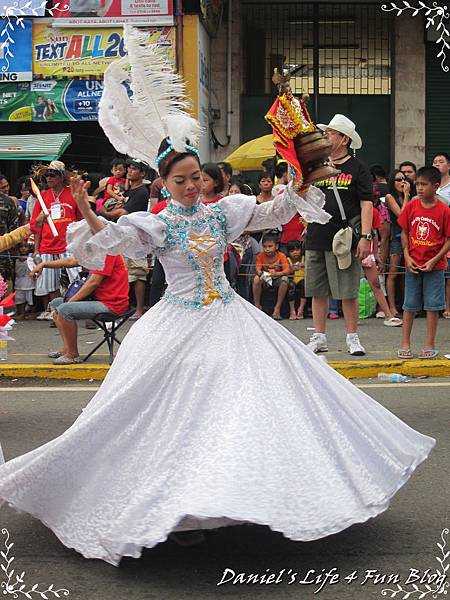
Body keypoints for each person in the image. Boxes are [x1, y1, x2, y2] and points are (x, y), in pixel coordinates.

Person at [0, 36, 435, 566]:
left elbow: (275, 213)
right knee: (166, 416)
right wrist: (89, 210)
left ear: (204, 180)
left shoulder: (223, 211)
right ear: (165, 182)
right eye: (180, 180)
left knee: (247, 407)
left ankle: (236, 493)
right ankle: (177, 506)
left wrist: (299, 178)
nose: (190, 186)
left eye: (195, 178)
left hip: (230, 317)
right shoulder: (156, 222)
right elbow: (109, 239)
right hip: (175, 325)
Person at [305, 114, 373, 356]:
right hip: (316, 233)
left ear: (344, 139)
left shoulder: (358, 168)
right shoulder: (316, 164)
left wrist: (366, 237)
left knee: (347, 290)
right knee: (317, 289)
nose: (326, 136)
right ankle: (319, 336)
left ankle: (352, 337)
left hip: (343, 238)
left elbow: (367, 204)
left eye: (331, 133)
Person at [30, 253, 129, 364]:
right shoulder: (97, 251)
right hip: (100, 300)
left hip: (111, 305)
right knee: (55, 304)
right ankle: (67, 348)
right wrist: (44, 264)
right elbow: (71, 261)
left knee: (64, 310)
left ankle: (72, 355)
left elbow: (93, 283)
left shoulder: (108, 253)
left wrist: (70, 302)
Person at [397, 166, 450, 358]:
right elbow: (404, 231)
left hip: (435, 267)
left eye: (423, 184)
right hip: (413, 264)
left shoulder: (444, 210)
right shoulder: (411, 206)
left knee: (433, 307)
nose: (419, 188)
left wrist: (435, 260)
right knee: (409, 305)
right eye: (417, 184)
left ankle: (429, 344)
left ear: (435, 186)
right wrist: (407, 255)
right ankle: (405, 343)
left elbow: (448, 238)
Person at [29, 161, 82, 321]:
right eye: (47, 175)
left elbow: (82, 220)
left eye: (52, 175)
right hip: (47, 246)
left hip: (69, 245)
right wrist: (39, 220)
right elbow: (34, 226)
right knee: (51, 285)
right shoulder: (42, 197)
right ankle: (57, 314)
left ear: (61, 176)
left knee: (77, 280)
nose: (49, 178)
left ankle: (79, 311)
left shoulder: (72, 193)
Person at [100, 160, 151, 320]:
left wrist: (104, 213)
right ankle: (125, 307)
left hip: (135, 236)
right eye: (129, 168)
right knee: (125, 273)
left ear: (142, 173)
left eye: (134, 169)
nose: (130, 171)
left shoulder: (142, 191)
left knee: (138, 274)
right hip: (123, 236)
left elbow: (122, 212)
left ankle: (139, 309)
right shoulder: (129, 191)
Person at [385, 170, 411, 318]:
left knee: (406, 273)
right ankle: (392, 307)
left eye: (404, 179)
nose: (402, 182)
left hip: (409, 237)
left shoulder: (409, 196)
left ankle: (406, 305)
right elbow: (402, 216)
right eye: (398, 179)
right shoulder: (390, 197)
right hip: (396, 237)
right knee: (393, 273)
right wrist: (406, 196)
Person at [252, 233, 290, 320]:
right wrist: (264, 274)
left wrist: (276, 274)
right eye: (264, 247)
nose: (267, 249)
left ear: (276, 246)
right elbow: (258, 269)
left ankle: (277, 308)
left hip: (277, 278)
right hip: (266, 278)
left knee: (285, 280)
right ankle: (257, 305)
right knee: (256, 279)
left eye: (270, 246)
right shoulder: (260, 256)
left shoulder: (281, 256)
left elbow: (287, 270)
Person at [0, 174, 19, 284]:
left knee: (5, 284)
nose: (7, 189)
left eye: (7, 186)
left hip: (4, 252)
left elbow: (14, 228)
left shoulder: (8, 202)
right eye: (3, 187)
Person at [13, 242, 35, 320]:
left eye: (25, 247)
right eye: (21, 247)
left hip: (29, 282)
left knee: (31, 300)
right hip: (19, 282)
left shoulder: (31, 257)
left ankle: (32, 314)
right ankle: (21, 314)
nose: (23, 248)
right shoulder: (16, 258)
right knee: (19, 299)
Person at [286, 240, 306, 319]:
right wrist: (292, 269)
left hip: (302, 278)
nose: (295, 252)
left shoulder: (304, 258)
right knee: (291, 287)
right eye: (292, 251)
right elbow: (286, 271)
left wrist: (304, 266)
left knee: (304, 285)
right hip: (292, 279)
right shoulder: (287, 260)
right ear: (288, 252)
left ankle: (301, 309)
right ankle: (292, 310)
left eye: (297, 250)